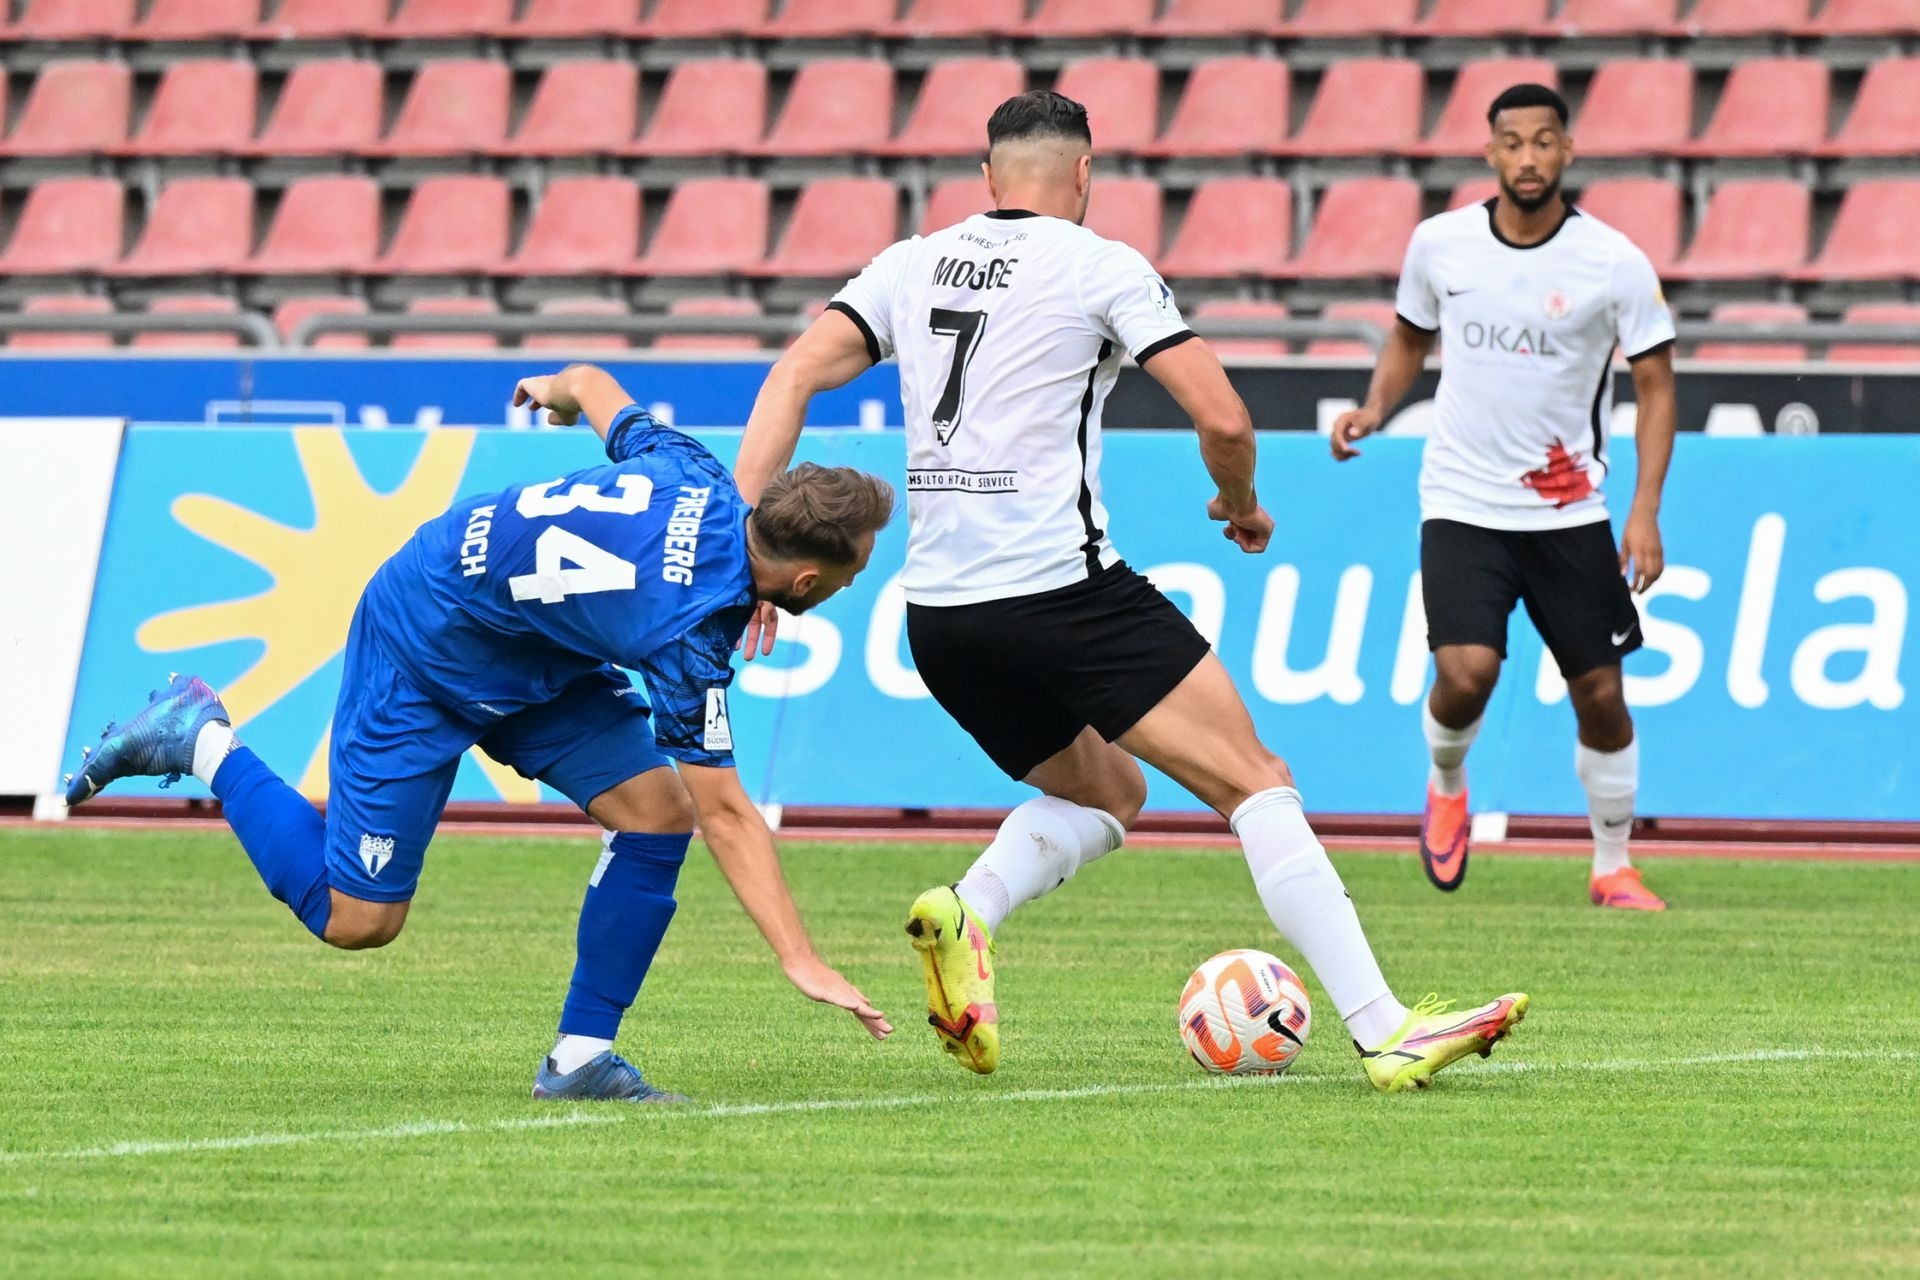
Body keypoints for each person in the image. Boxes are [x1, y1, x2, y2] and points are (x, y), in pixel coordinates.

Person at [732, 91, 1527, 1093]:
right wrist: (1238, 500)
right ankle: (1382, 1026)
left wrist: (744, 548)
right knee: (1256, 779)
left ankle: (969, 912)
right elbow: (1226, 417)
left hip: (939, 617)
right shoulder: (1101, 264)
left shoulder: (909, 262)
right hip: (1061, 593)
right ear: (1085, 174)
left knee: (1107, 791)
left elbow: (793, 377)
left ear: (986, 177)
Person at [65, 364, 896, 1102]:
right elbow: (731, 816)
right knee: (358, 921)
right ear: (807, 577)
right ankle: (198, 735)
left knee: (656, 811)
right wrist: (799, 957)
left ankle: (579, 1058)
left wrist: (553, 392)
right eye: (854, 569)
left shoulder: (699, 474)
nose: (852, 579)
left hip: (531, 651)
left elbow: (594, 380)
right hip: (423, 643)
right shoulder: (687, 637)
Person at [1330, 83, 1678, 912]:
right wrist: (1377, 407)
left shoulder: (1613, 262)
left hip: (1569, 511)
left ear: (1568, 151)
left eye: (1544, 141)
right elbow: (1411, 336)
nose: (1528, 157)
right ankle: (1447, 780)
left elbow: (1658, 386)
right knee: (1466, 673)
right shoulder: (1441, 245)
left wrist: (1644, 510)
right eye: (1512, 142)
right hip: (1461, 500)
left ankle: (1612, 865)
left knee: (1601, 695)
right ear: (1489, 153)